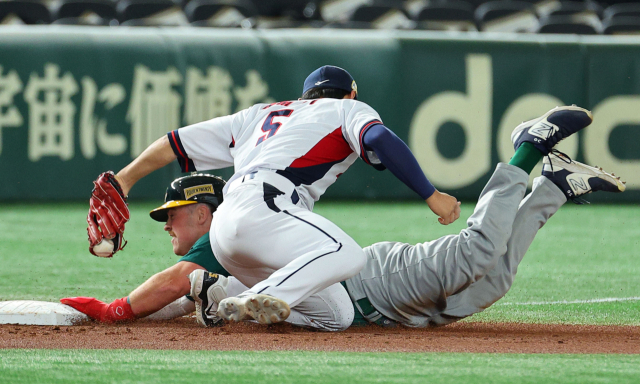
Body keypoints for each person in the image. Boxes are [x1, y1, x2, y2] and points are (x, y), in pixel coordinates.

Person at [62, 106, 626, 327]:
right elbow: (182, 296)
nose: (167, 223)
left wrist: (117, 310)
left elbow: (172, 283)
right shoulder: (248, 223)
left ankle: (526, 152)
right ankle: (552, 189)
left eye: (176, 211)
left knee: (476, 253)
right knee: (493, 281)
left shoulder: (238, 226)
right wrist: (126, 179)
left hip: (373, 280)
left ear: (206, 210)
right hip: (388, 315)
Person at [83, 65, 462, 331]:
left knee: (337, 315)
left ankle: (218, 293)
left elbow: (175, 142)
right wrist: (431, 195)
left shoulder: (259, 114)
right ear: (349, 93)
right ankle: (261, 295)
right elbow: (379, 139)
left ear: (306, 97)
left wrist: (125, 179)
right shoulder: (348, 107)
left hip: (232, 227)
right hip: (267, 206)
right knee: (349, 254)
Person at [61, 174, 229, 323]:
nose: (167, 226)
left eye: (172, 216)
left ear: (201, 214)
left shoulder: (218, 237)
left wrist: (113, 311)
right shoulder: (227, 241)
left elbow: (171, 285)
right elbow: (179, 303)